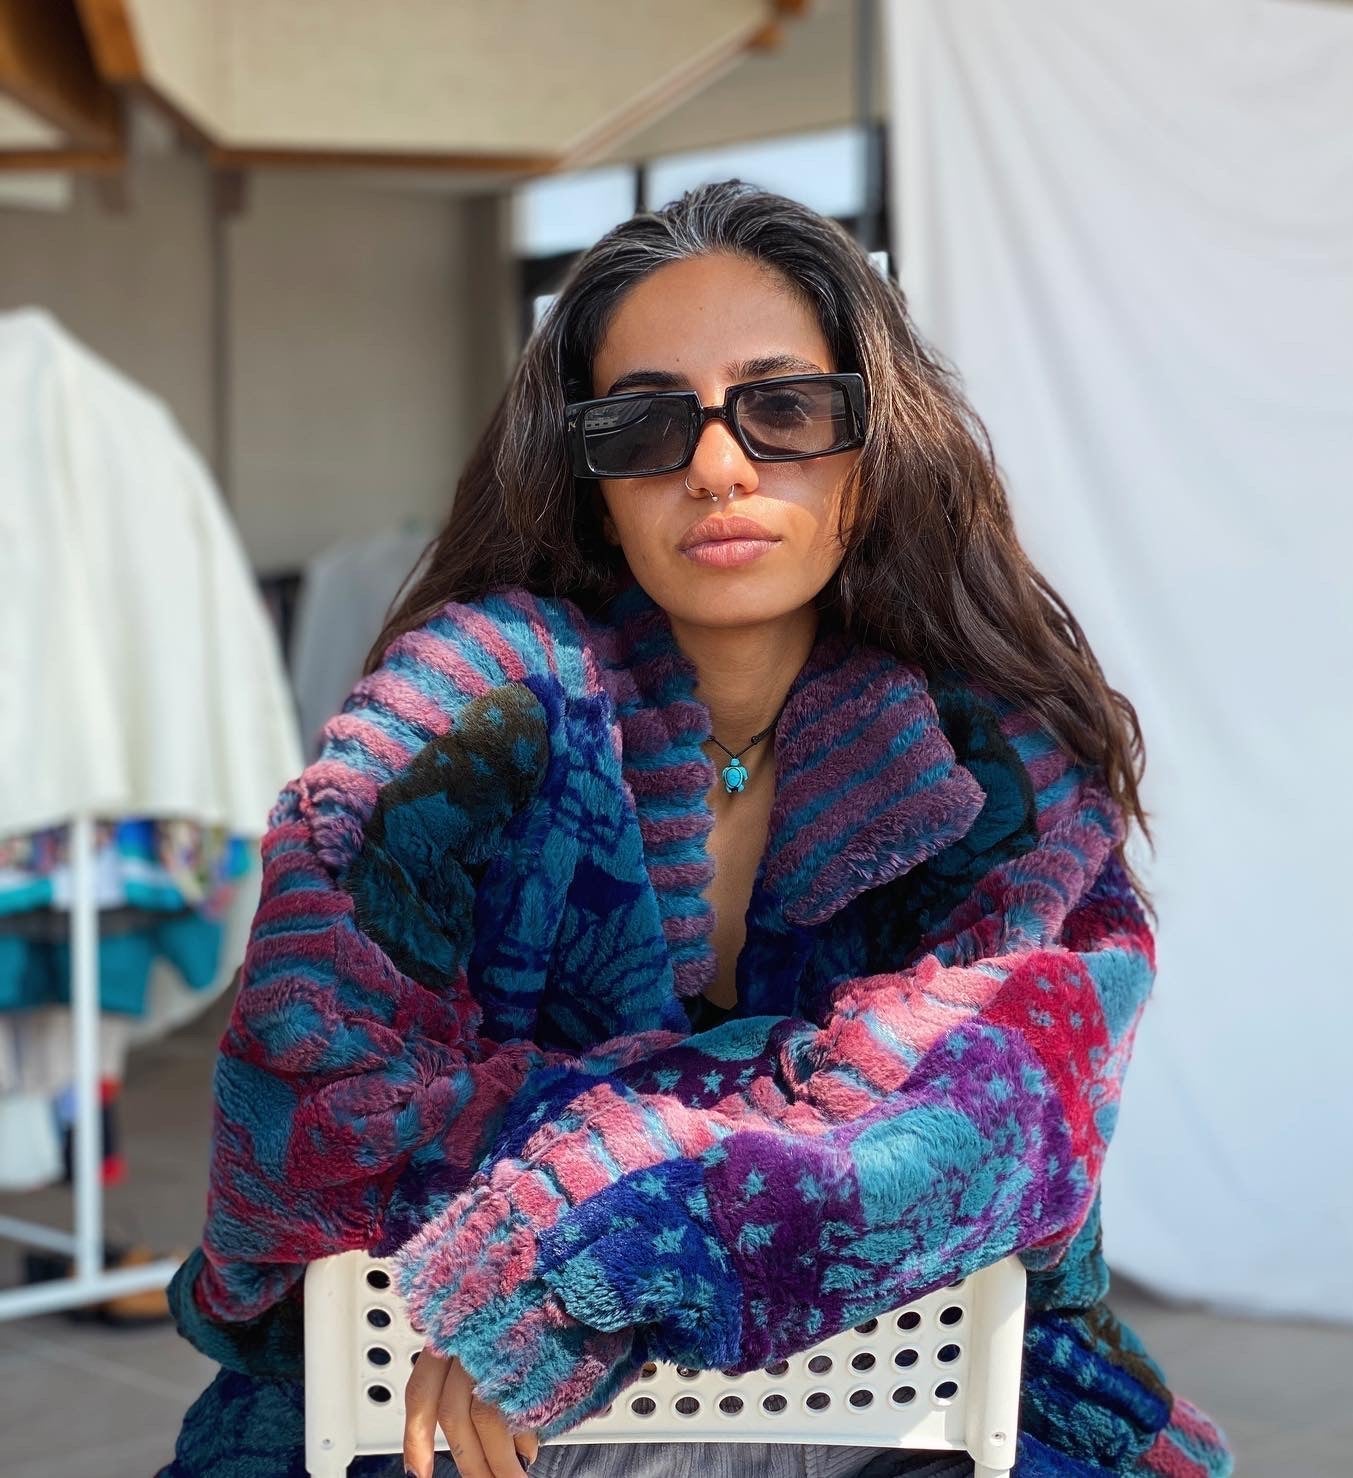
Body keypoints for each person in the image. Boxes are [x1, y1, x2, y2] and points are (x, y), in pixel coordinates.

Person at [159, 180, 1234, 1478]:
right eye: (649, 422)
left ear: (869, 441)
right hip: (458, 1419)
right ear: (590, 470)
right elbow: (307, 1127)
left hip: (912, 1413)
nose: (719, 464)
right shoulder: (470, 709)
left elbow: (996, 1124)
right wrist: (790, 1117)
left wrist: (588, 1236)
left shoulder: (993, 758)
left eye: (782, 408)